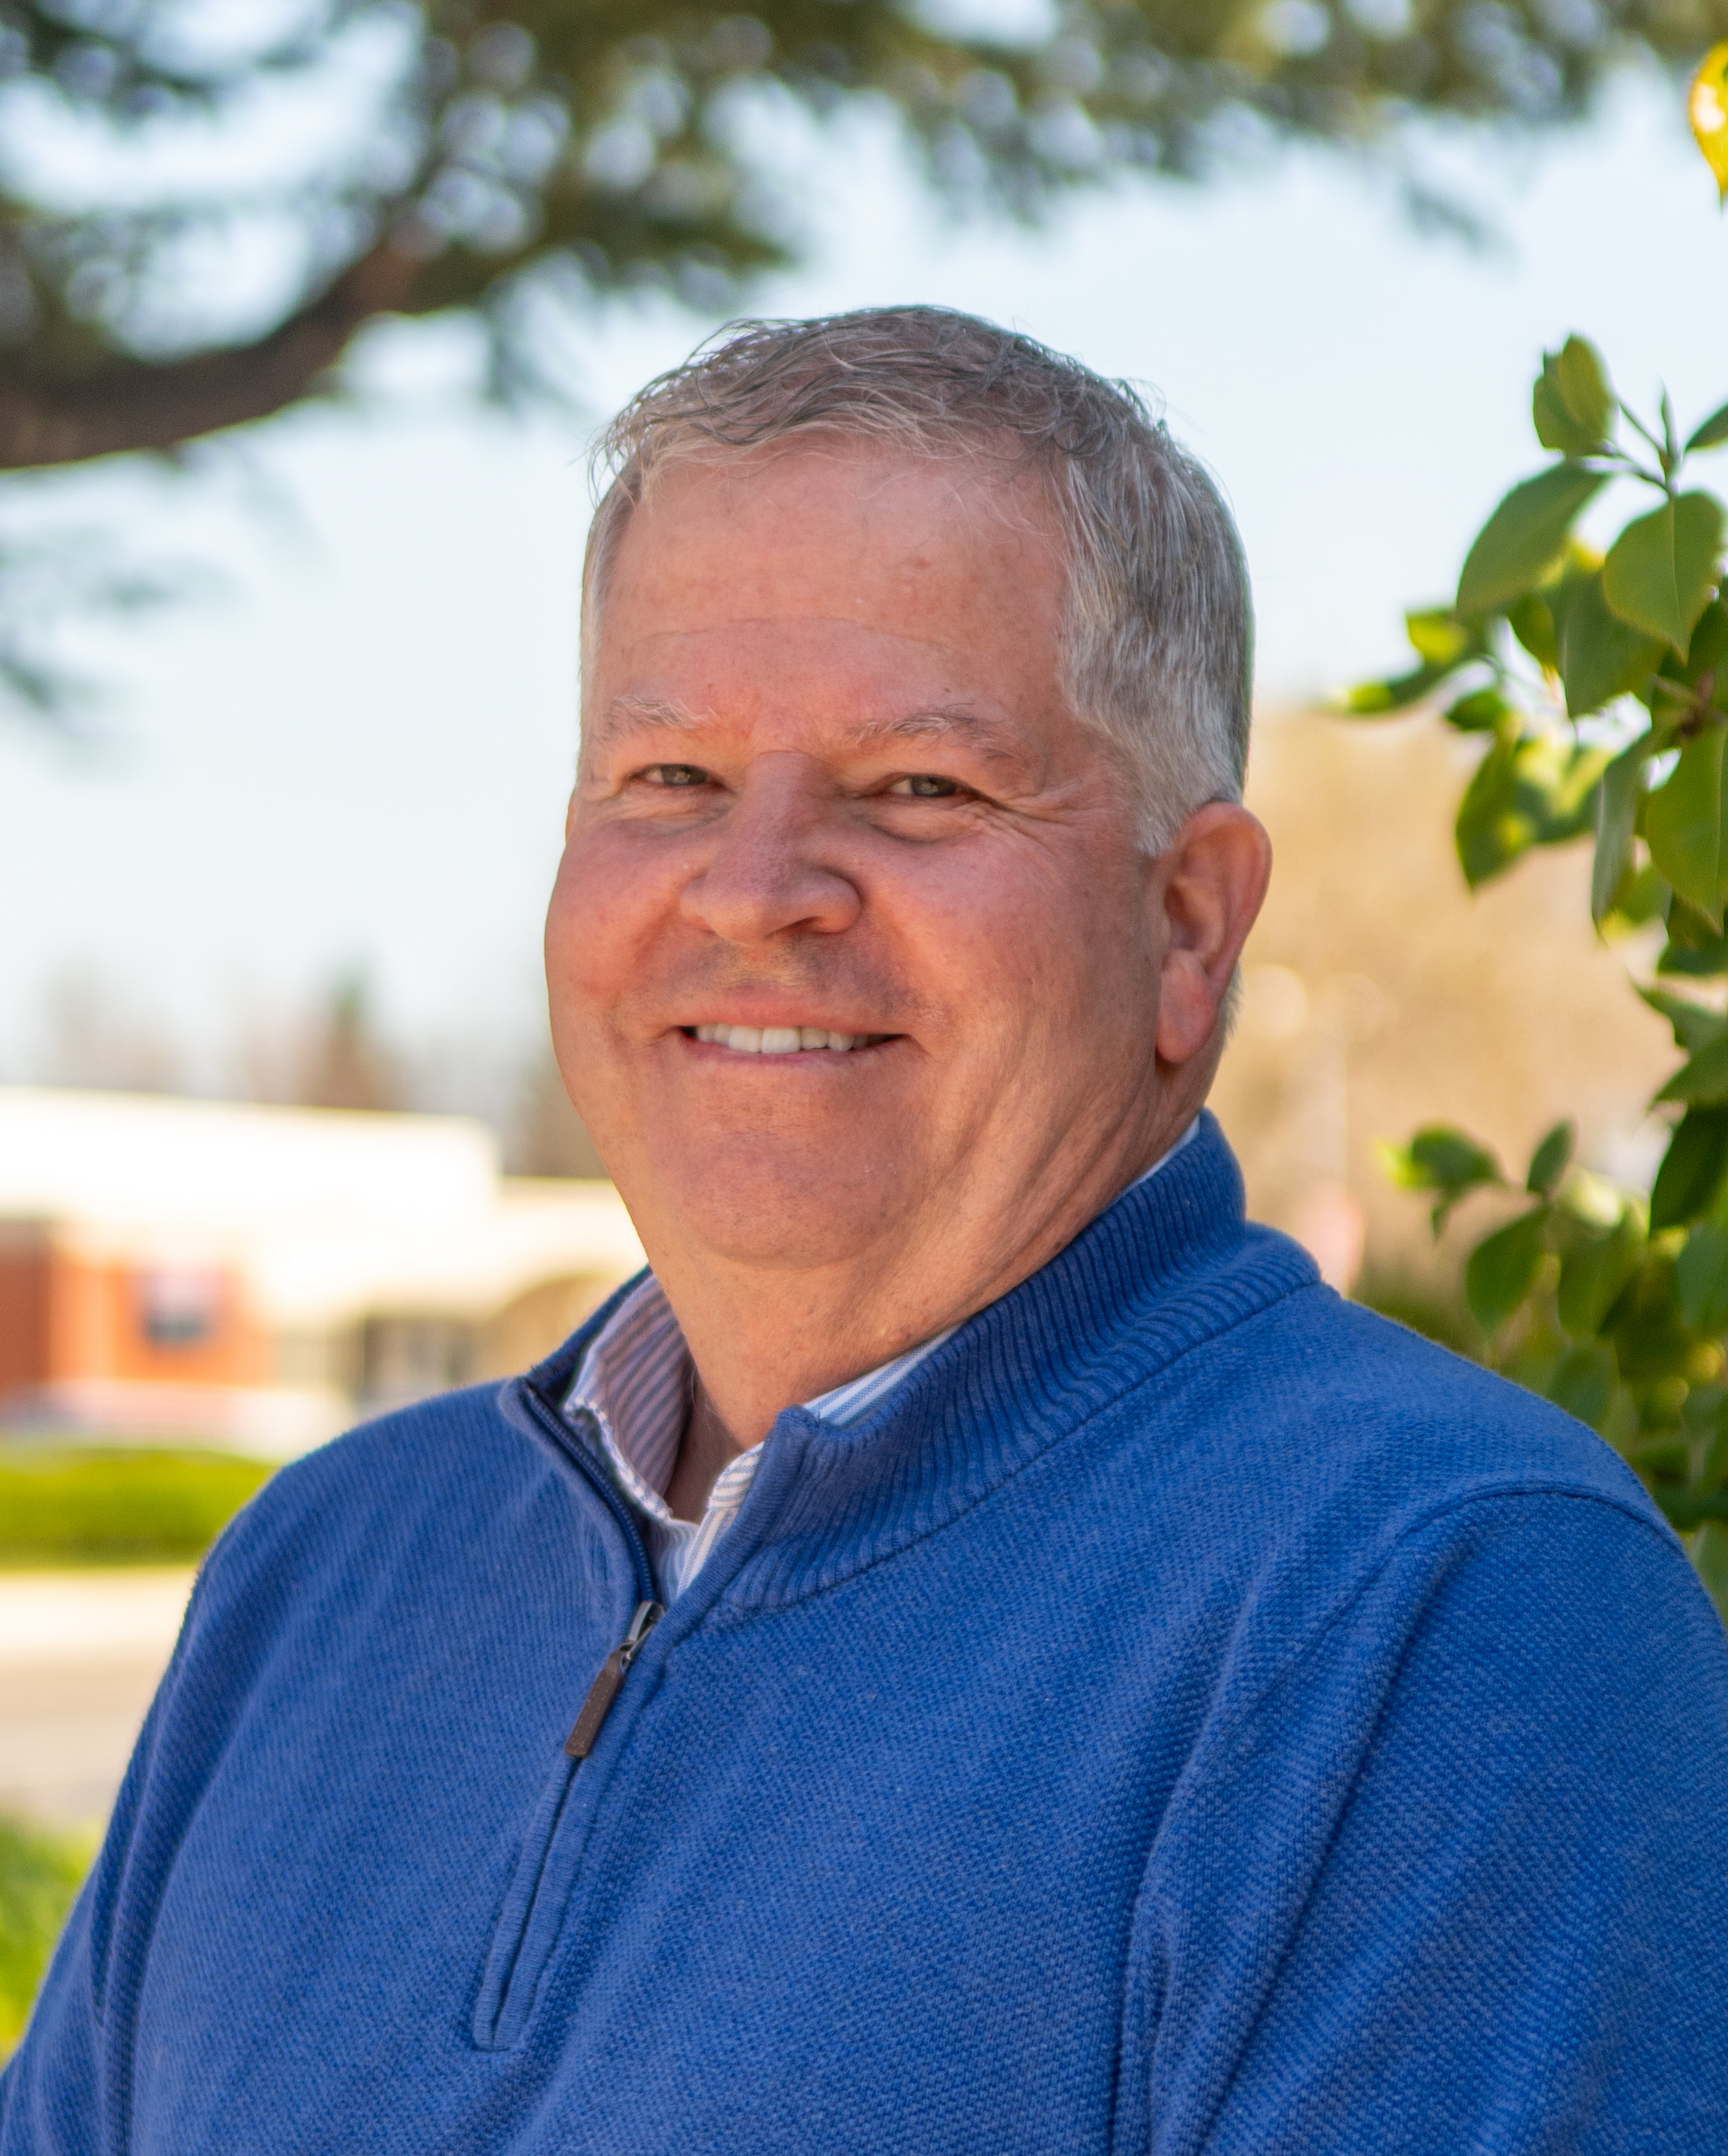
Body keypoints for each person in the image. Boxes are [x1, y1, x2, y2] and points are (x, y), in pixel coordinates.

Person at [7, 307, 1727, 2154]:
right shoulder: (323, 1573)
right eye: (668, 778)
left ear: (1190, 926)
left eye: (919, 786)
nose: (754, 893)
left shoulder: (1439, 1612)